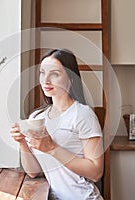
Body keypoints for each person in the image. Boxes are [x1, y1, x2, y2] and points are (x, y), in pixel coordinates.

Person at [10, 49, 104, 200]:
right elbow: (33, 171)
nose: (46, 80)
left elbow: (96, 172)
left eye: (54, 74)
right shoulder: (37, 117)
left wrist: (52, 148)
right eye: (42, 72)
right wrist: (22, 143)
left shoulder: (83, 115)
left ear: (71, 79)